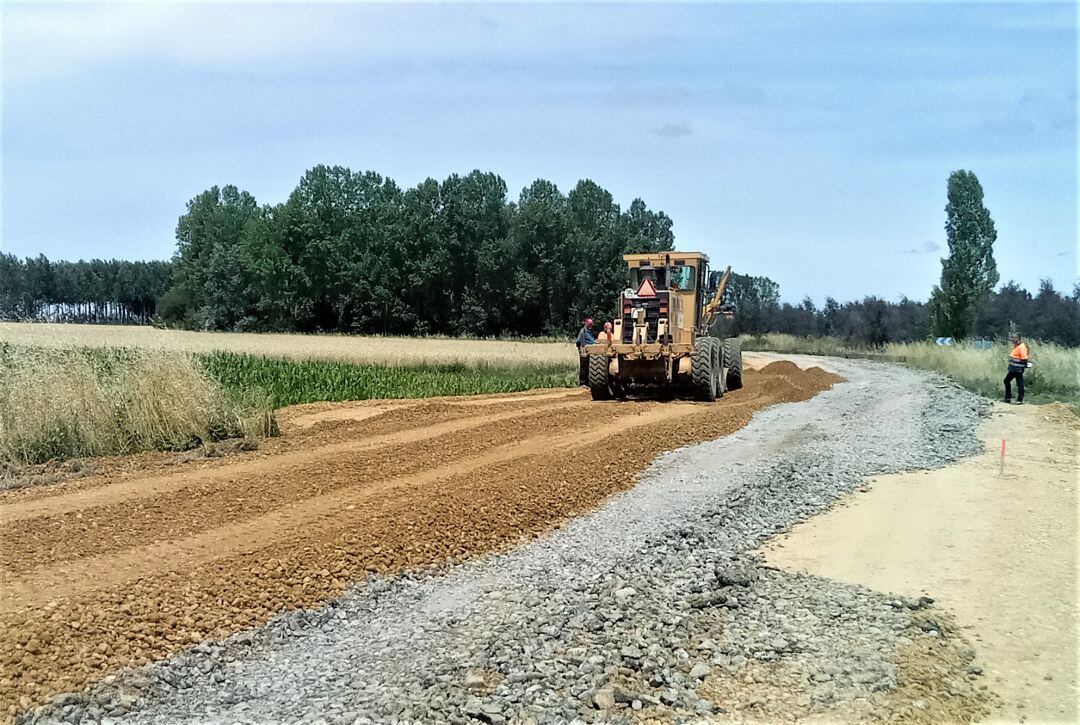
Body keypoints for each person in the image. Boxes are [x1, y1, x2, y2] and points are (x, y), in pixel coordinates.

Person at [1003, 333, 1029, 404]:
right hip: (1013, 368)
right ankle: (1008, 398)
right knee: (1007, 381)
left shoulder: (1021, 347)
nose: (1013, 339)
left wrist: (1022, 366)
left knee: (1019, 384)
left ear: (1018, 339)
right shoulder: (1016, 346)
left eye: (1014, 338)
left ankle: (1018, 399)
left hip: (1018, 369)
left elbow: (1025, 358)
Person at [575, 317, 595, 385]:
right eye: (589, 324)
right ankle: (583, 383)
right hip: (584, 352)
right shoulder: (582, 331)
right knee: (584, 368)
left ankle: (588, 383)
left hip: (592, 352)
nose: (590, 326)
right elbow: (578, 342)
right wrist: (581, 349)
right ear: (586, 324)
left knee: (590, 368)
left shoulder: (592, 332)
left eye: (591, 324)